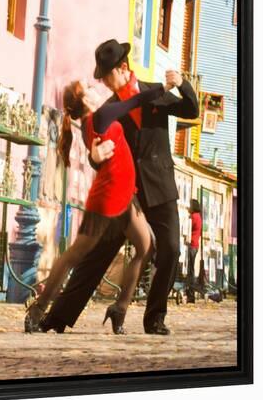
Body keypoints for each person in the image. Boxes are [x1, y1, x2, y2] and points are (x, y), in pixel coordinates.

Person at [41, 39, 199, 335]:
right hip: (127, 193)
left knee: (171, 250)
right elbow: (99, 147)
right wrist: (93, 158)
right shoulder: (110, 107)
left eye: (106, 75)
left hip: (161, 187)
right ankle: (55, 318)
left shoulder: (156, 92)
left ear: (123, 68)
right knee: (97, 256)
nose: (102, 82)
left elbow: (191, 110)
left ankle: (154, 319)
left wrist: (182, 83)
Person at [25, 78, 168, 334]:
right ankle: (38, 309)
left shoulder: (88, 125)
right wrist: (163, 88)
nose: (94, 88)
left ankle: (119, 308)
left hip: (124, 196)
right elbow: (135, 101)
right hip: (108, 199)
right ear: (85, 100)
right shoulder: (100, 115)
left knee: (145, 247)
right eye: (89, 87)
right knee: (74, 255)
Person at [186, 199, 202, 303]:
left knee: (190, 270)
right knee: (191, 269)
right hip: (195, 245)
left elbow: (188, 228)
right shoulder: (199, 216)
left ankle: (190, 294)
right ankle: (190, 294)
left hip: (192, 244)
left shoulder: (194, 216)